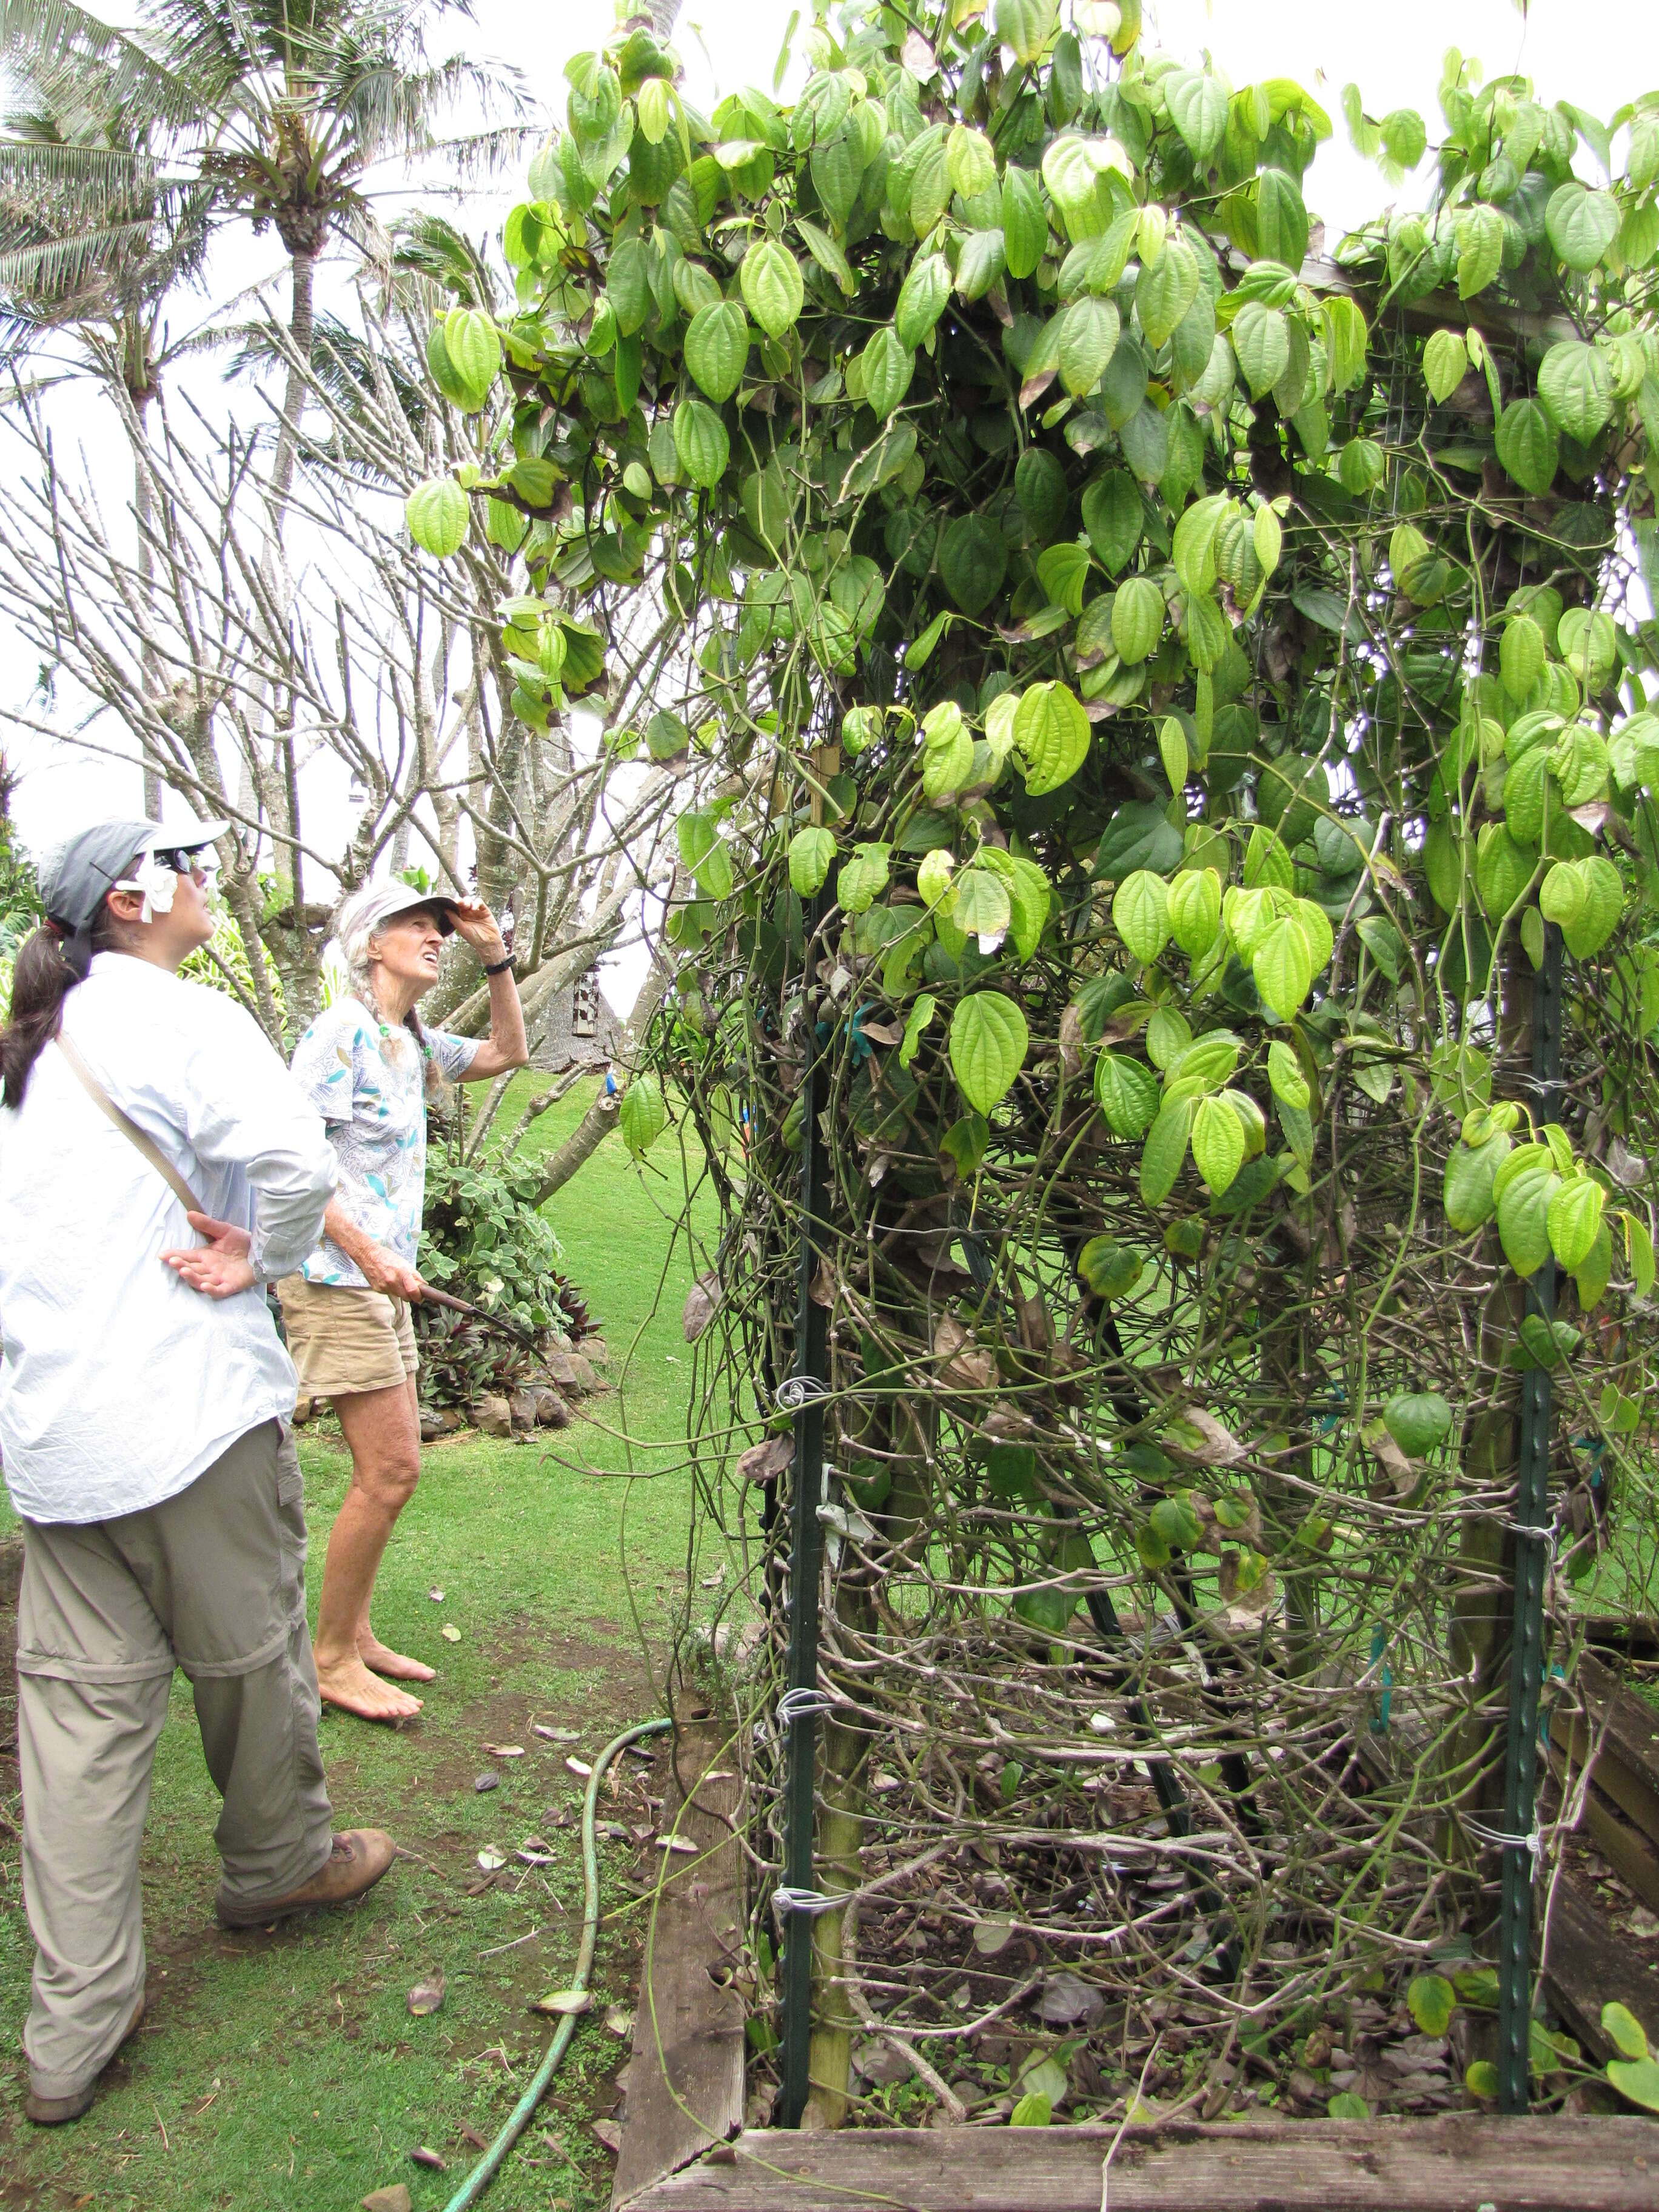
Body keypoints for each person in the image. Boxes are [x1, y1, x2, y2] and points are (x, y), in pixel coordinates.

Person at [0, 817, 397, 2129]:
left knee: (78, 1729)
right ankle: (278, 1864)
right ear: (131, 896)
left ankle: (71, 2028)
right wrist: (258, 1257)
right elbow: (293, 1164)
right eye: (189, 862)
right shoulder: (177, 1016)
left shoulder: (35, 1052)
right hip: (184, 1419)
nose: (211, 881)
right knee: (246, 1660)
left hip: (55, 1447)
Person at [279, 882, 528, 1721]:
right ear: (371, 946)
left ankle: (355, 1634)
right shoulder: (340, 1031)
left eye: (436, 927)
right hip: (334, 1277)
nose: (432, 936)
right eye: (415, 926)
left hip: (381, 1281)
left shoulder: (411, 1039)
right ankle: (329, 1658)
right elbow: (288, 1162)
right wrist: (367, 1251)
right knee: (391, 1471)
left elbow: (506, 1054)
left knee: (384, 1473)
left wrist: (494, 955)